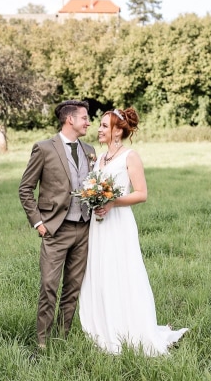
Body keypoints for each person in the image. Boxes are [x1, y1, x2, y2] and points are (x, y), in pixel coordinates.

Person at [78, 107, 187, 356]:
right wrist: (94, 201)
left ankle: (130, 328)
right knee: (101, 272)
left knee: (121, 271)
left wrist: (112, 202)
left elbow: (141, 193)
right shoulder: (99, 158)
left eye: (105, 125)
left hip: (119, 223)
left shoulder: (130, 156)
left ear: (118, 131)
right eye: (100, 124)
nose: (99, 129)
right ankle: (104, 326)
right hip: (98, 225)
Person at [19, 100, 97, 352]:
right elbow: (25, 189)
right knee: (49, 286)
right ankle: (42, 341)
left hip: (84, 229)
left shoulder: (89, 149)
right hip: (55, 229)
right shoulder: (43, 149)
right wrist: (38, 223)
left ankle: (63, 337)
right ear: (69, 120)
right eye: (84, 118)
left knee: (73, 287)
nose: (88, 122)